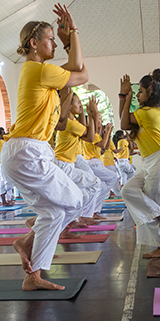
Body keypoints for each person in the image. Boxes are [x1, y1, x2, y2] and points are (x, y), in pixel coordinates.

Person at [0, 3, 89, 291]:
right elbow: (81, 72)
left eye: (55, 39)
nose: (53, 43)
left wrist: (67, 40)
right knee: (75, 201)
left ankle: (33, 274)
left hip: (26, 152)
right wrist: (71, 35)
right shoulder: (39, 70)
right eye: (50, 39)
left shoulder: (42, 73)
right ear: (34, 44)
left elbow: (77, 71)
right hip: (27, 151)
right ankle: (26, 242)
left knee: (55, 213)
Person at [119, 70, 160, 259]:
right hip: (155, 161)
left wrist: (125, 96)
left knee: (153, 204)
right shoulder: (152, 111)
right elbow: (126, 120)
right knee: (128, 190)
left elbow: (123, 123)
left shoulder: (147, 112)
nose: (137, 95)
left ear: (150, 93)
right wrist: (125, 96)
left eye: (140, 91)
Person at [54, 94, 107, 224]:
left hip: (66, 164)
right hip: (64, 165)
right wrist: (93, 113)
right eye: (78, 103)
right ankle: (78, 219)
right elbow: (90, 137)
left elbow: (84, 129)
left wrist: (84, 112)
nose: (80, 105)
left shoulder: (71, 122)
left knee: (83, 194)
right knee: (95, 183)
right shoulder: (70, 124)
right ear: (69, 105)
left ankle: (74, 221)